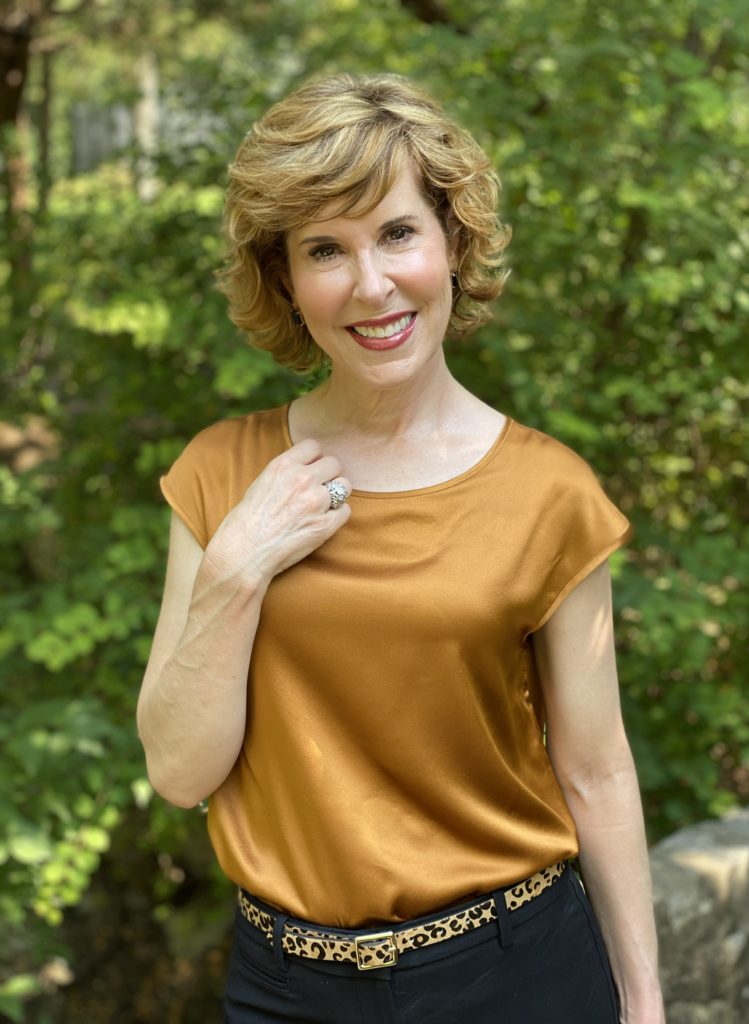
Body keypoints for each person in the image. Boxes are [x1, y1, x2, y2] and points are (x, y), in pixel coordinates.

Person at [137, 73, 665, 1024]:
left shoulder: (550, 494)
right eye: (325, 249)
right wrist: (237, 568)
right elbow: (179, 775)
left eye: (397, 233)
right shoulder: (221, 475)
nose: (370, 284)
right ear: (286, 281)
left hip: (517, 977)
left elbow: (597, 769)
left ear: (452, 245)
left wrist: (646, 1003)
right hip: (283, 986)